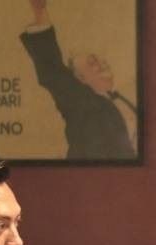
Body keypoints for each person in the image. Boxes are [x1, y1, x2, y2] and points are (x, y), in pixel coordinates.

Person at [20, 0, 136, 159]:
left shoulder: (122, 97)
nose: (101, 63)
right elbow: (52, 71)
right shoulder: (80, 102)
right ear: (81, 79)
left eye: (99, 59)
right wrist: (40, 12)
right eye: (92, 62)